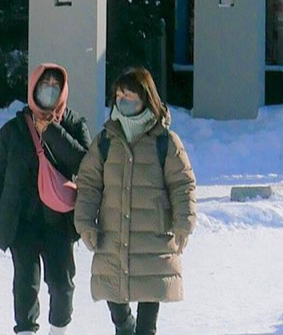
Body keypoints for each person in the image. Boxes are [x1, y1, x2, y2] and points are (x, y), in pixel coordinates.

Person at [75, 68, 196, 335]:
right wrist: (86, 224)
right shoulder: (105, 140)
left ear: (145, 97)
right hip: (113, 235)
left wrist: (183, 224)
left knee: (146, 327)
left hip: (153, 238)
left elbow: (182, 184)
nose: (122, 99)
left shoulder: (165, 142)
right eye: (119, 95)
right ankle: (124, 324)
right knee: (118, 312)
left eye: (129, 94)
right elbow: (89, 184)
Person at [0, 65, 90, 335]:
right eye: (44, 83)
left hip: (60, 221)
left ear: (63, 90)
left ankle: (58, 330)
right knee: (25, 284)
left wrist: (51, 130)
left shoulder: (73, 123)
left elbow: (85, 163)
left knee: (62, 285)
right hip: (22, 221)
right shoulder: (14, 129)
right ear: (33, 87)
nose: (49, 89)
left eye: (55, 84)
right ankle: (26, 330)